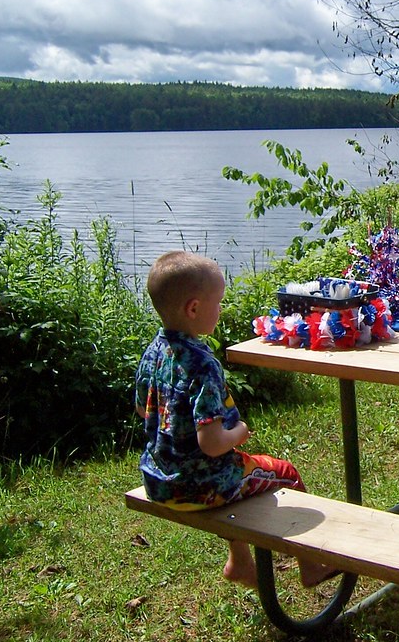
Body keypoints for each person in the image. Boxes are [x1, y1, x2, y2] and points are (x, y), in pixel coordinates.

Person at [134, 250, 333, 590]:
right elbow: (211, 444)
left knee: (239, 466)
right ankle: (312, 565)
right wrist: (238, 432)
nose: (221, 309)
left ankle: (240, 561)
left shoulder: (154, 351)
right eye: (218, 302)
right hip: (199, 487)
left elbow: (143, 409)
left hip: (157, 480)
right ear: (194, 308)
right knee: (284, 473)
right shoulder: (203, 365)